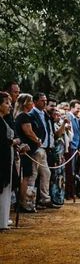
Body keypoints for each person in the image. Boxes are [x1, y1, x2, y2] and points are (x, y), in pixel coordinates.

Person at [14, 94, 40, 212]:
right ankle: (22, 203)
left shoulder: (18, 115)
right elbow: (28, 132)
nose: (32, 104)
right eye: (30, 102)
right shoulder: (23, 116)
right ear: (25, 103)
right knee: (25, 176)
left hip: (25, 150)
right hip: (25, 151)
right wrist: (37, 140)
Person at [0, 92, 18, 229]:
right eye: (6, 103)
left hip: (8, 157)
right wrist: (13, 141)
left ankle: (4, 219)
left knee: (7, 189)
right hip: (2, 159)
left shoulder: (4, 120)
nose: (9, 106)